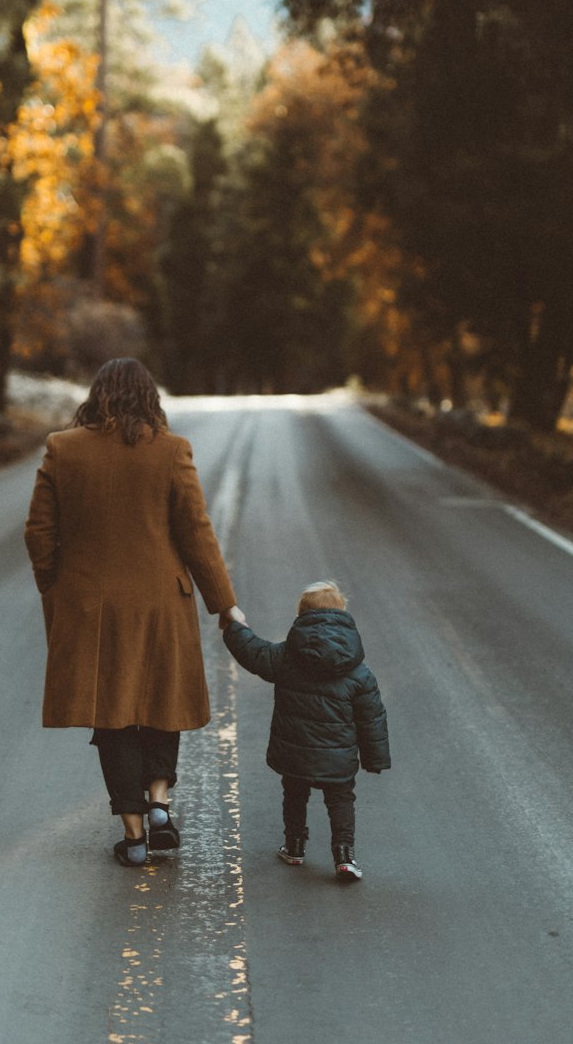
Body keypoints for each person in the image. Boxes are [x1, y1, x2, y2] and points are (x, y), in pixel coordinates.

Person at [24, 358, 241, 867]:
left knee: (113, 713)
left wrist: (57, 591)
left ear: (97, 397)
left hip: (91, 607)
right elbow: (196, 534)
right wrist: (225, 604)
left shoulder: (63, 448)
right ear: (150, 399)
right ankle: (160, 801)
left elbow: (38, 533)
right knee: (163, 701)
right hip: (162, 604)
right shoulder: (172, 452)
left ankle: (135, 835)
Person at [221, 580, 389, 882]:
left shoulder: (287, 655)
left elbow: (253, 652)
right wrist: (374, 759)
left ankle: (295, 847)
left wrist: (233, 627)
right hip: (338, 757)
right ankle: (344, 857)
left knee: (294, 794)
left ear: (302, 614)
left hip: (294, 753)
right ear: (342, 613)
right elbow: (371, 717)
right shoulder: (358, 669)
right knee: (340, 800)